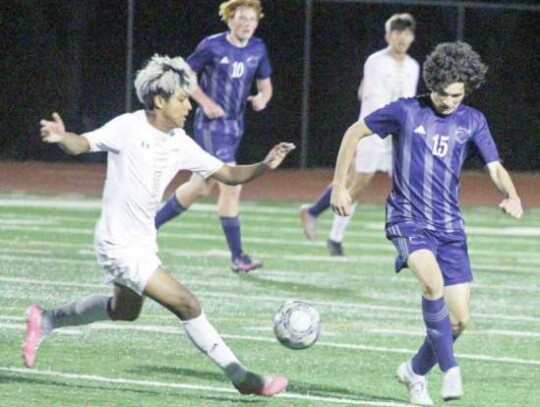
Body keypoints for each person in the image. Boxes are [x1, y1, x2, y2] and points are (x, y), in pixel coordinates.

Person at [24, 54, 295, 397]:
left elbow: (226, 173)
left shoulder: (179, 142)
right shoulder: (128, 127)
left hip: (142, 242)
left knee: (123, 311)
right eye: (182, 99)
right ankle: (243, 377)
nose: (188, 107)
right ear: (159, 100)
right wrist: (63, 137)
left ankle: (45, 319)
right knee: (188, 304)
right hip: (118, 244)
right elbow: (83, 144)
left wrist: (265, 165)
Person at [330, 42, 522, 405]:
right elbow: (353, 133)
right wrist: (340, 186)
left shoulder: (473, 120)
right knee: (432, 284)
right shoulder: (405, 111)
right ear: (431, 85)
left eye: (457, 95)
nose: (450, 101)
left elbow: (494, 167)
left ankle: (414, 372)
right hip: (408, 219)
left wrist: (512, 195)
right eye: (444, 94)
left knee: (459, 321)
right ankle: (450, 370)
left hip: (450, 228)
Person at [154, 0, 273, 273]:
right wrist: (205, 102)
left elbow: (265, 86)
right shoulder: (213, 45)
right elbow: (186, 76)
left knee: (199, 187)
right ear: (230, 19)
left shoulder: (258, 48)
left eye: (251, 20)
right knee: (232, 183)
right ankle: (238, 256)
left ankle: (150, 225)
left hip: (234, 125)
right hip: (210, 125)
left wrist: (262, 100)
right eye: (241, 18)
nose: (247, 24)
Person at [299, 13, 420, 256]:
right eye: (397, 32)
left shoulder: (413, 66)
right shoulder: (376, 61)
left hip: (397, 135)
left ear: (412, 37)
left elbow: (409, 100)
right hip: (373, 132)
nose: (402, 37)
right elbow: (371, 96)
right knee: (358, 183)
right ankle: (328, 230)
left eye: (406, 33)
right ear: (388, 35)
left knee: (409, 183)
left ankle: (321, 221)